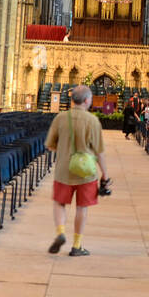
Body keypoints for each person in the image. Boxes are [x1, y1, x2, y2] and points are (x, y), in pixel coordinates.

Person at [45, 85, 111, 256]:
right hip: (86, 172)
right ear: (87, 100)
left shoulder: (60, 118)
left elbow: (50, 145)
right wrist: (105, 174)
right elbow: (100, 151)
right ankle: (77, 245)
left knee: (60, 203)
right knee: (82, 207)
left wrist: (65, 148)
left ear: (72, 99)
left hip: (64, 169)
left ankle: (60, 233)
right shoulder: (92, 121)